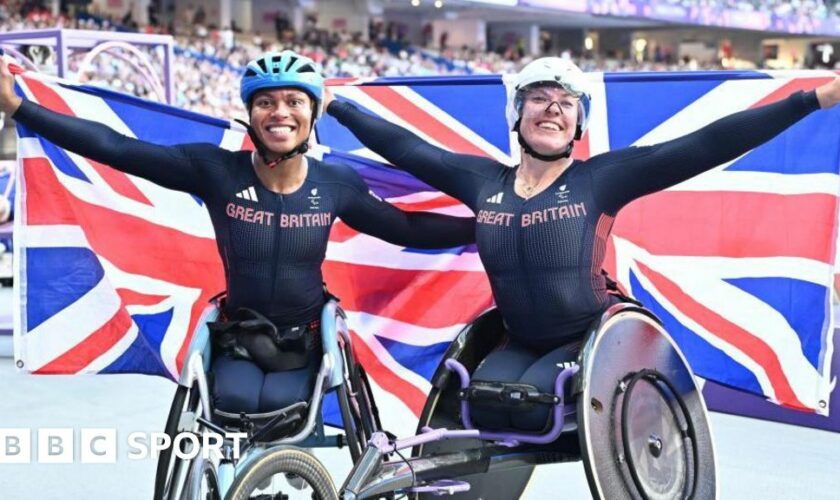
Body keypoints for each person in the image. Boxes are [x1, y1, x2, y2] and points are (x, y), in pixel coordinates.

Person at [324, 57, 840, 432]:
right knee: (483, 404)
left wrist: (813, 99)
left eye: (565, 103)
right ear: (516, 114)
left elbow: (707, 143)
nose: (552, 110)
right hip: (517, 338)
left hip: (589, 339)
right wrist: (333, 105)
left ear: (579, 121)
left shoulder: (601, 180)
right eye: (539, 99)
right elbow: (407, 148)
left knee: (528, 403)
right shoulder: (483, 182)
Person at [0, 50, 475, 415]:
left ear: (311, 115)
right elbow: (116, 148)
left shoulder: (335, 185)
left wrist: (485, 225)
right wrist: (19, 107)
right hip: (238, 338)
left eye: (293, 101)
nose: (279, 112)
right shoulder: (214, 170)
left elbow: (405, 227)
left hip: (309, 341)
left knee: (285, 411)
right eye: (265, 102)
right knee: (237, 406)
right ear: (250, 114)